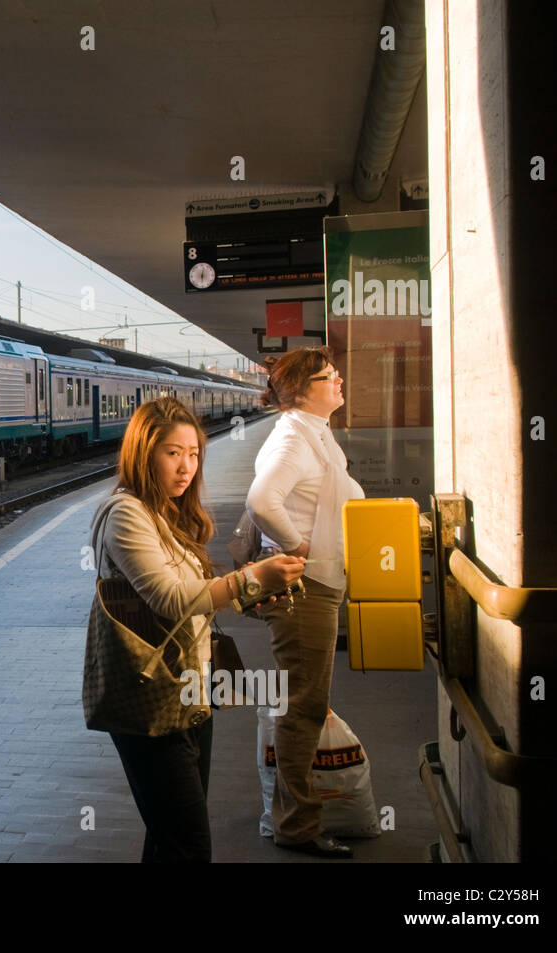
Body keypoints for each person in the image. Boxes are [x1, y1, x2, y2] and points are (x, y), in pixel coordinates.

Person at [90, 397, 305, 863]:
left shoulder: (167, 513)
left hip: (188, 688)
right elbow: (169, 599)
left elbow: (196, 596)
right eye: (172, 453)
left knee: (170, 839)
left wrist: (255, 593)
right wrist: (251, 578)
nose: (186, 466)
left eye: (193, 454)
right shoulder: (127, 514)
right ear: (143, 454)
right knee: (189, 844)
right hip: (148, 695)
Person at [245, 346, 365, 859]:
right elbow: (262, 499)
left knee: (305, 704)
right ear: (299, 389)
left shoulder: (313, 431)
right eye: (328, 376)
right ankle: (297, 825)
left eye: (336, 374)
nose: (338, 381)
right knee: (303, 709)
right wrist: (298, 545)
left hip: (317, 587)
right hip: (303, 591)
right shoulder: (293, 436)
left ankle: (293, 815)